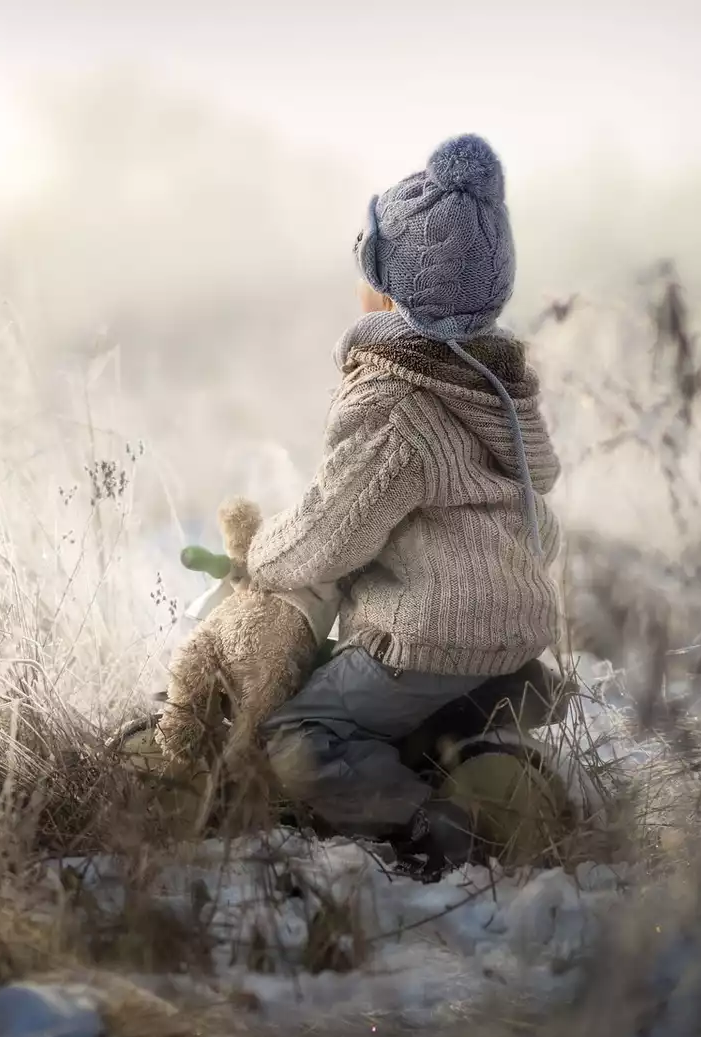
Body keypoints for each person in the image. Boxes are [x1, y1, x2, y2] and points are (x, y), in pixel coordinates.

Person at [244, 133, 562, 876]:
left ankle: (436, 826)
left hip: (432, 637)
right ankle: (482, 750)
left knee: (300, 736)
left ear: (389, 291)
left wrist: (263, 552)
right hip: (512, 631)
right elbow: (532, 518)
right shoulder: (498, 389)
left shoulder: (396, 403)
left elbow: (332, 531)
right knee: (416, 707)